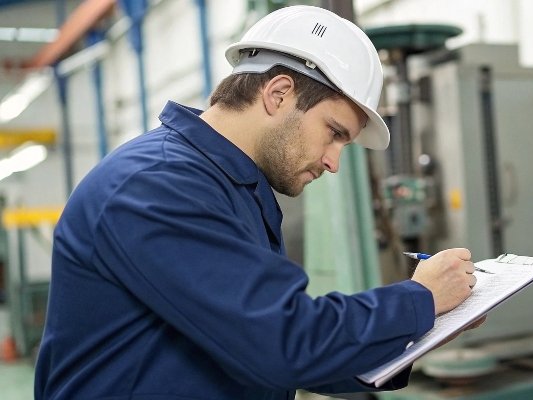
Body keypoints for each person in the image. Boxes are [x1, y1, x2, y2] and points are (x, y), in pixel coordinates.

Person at [34, 5, 481, 400]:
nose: (333, 162)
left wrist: (428, 325)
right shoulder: (156, 186)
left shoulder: (231, 187)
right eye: (334, 133)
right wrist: (419, 299)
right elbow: (283, 343)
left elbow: (267, 354)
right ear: (279, 93)